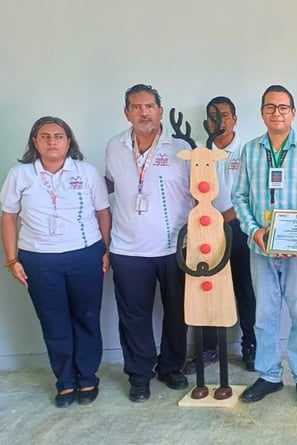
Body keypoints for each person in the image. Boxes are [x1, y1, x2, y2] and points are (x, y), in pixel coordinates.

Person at [1, 117, 110, 407]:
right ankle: (65, 382)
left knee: (87, 317)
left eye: (59, 136)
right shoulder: (19, 175)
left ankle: (87, 378)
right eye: (45, 136)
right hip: (38, 259)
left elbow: (103, 213)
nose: (52, 141)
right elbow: (9, 217)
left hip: (85, 254)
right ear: (34, 142)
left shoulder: (86, 172)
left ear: (68, 141)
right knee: (53, 321)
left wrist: (106, 250)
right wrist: (12, 260)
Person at [232, 85, 297, 405]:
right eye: (270, 107)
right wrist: (254, 230)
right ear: (262, 113)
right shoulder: (250, 150)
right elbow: (239, 196)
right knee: (264, 314)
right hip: (261, 248)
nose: (277, 113)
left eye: (283, 107)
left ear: (293, 113)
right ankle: (269, 375)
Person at [105, 84, 194, 403]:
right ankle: (139, 375)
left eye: (149, 106)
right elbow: (111, 188)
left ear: (160, 110)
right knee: (133, 317)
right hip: (127, 248)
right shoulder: (114, 147)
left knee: (177, 313)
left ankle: (171, 367)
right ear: (126, 112)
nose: (144, 112)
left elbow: (200, 192)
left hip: (175, 247)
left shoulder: (182, 148)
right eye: (136, 107)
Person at [181, 96, 257, 375]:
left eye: (224, 115)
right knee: (207, 290)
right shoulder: (199, 153)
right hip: (205, 231)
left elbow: (254, 193)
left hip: (240, 228)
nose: (219, 121)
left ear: (234, 119)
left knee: (246, 290)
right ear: (207, 121)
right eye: (213, 116)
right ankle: (208, 349)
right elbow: (191, 191)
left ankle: (251, 346)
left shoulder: (249, 151)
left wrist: (223, 218)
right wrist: (206, 221)